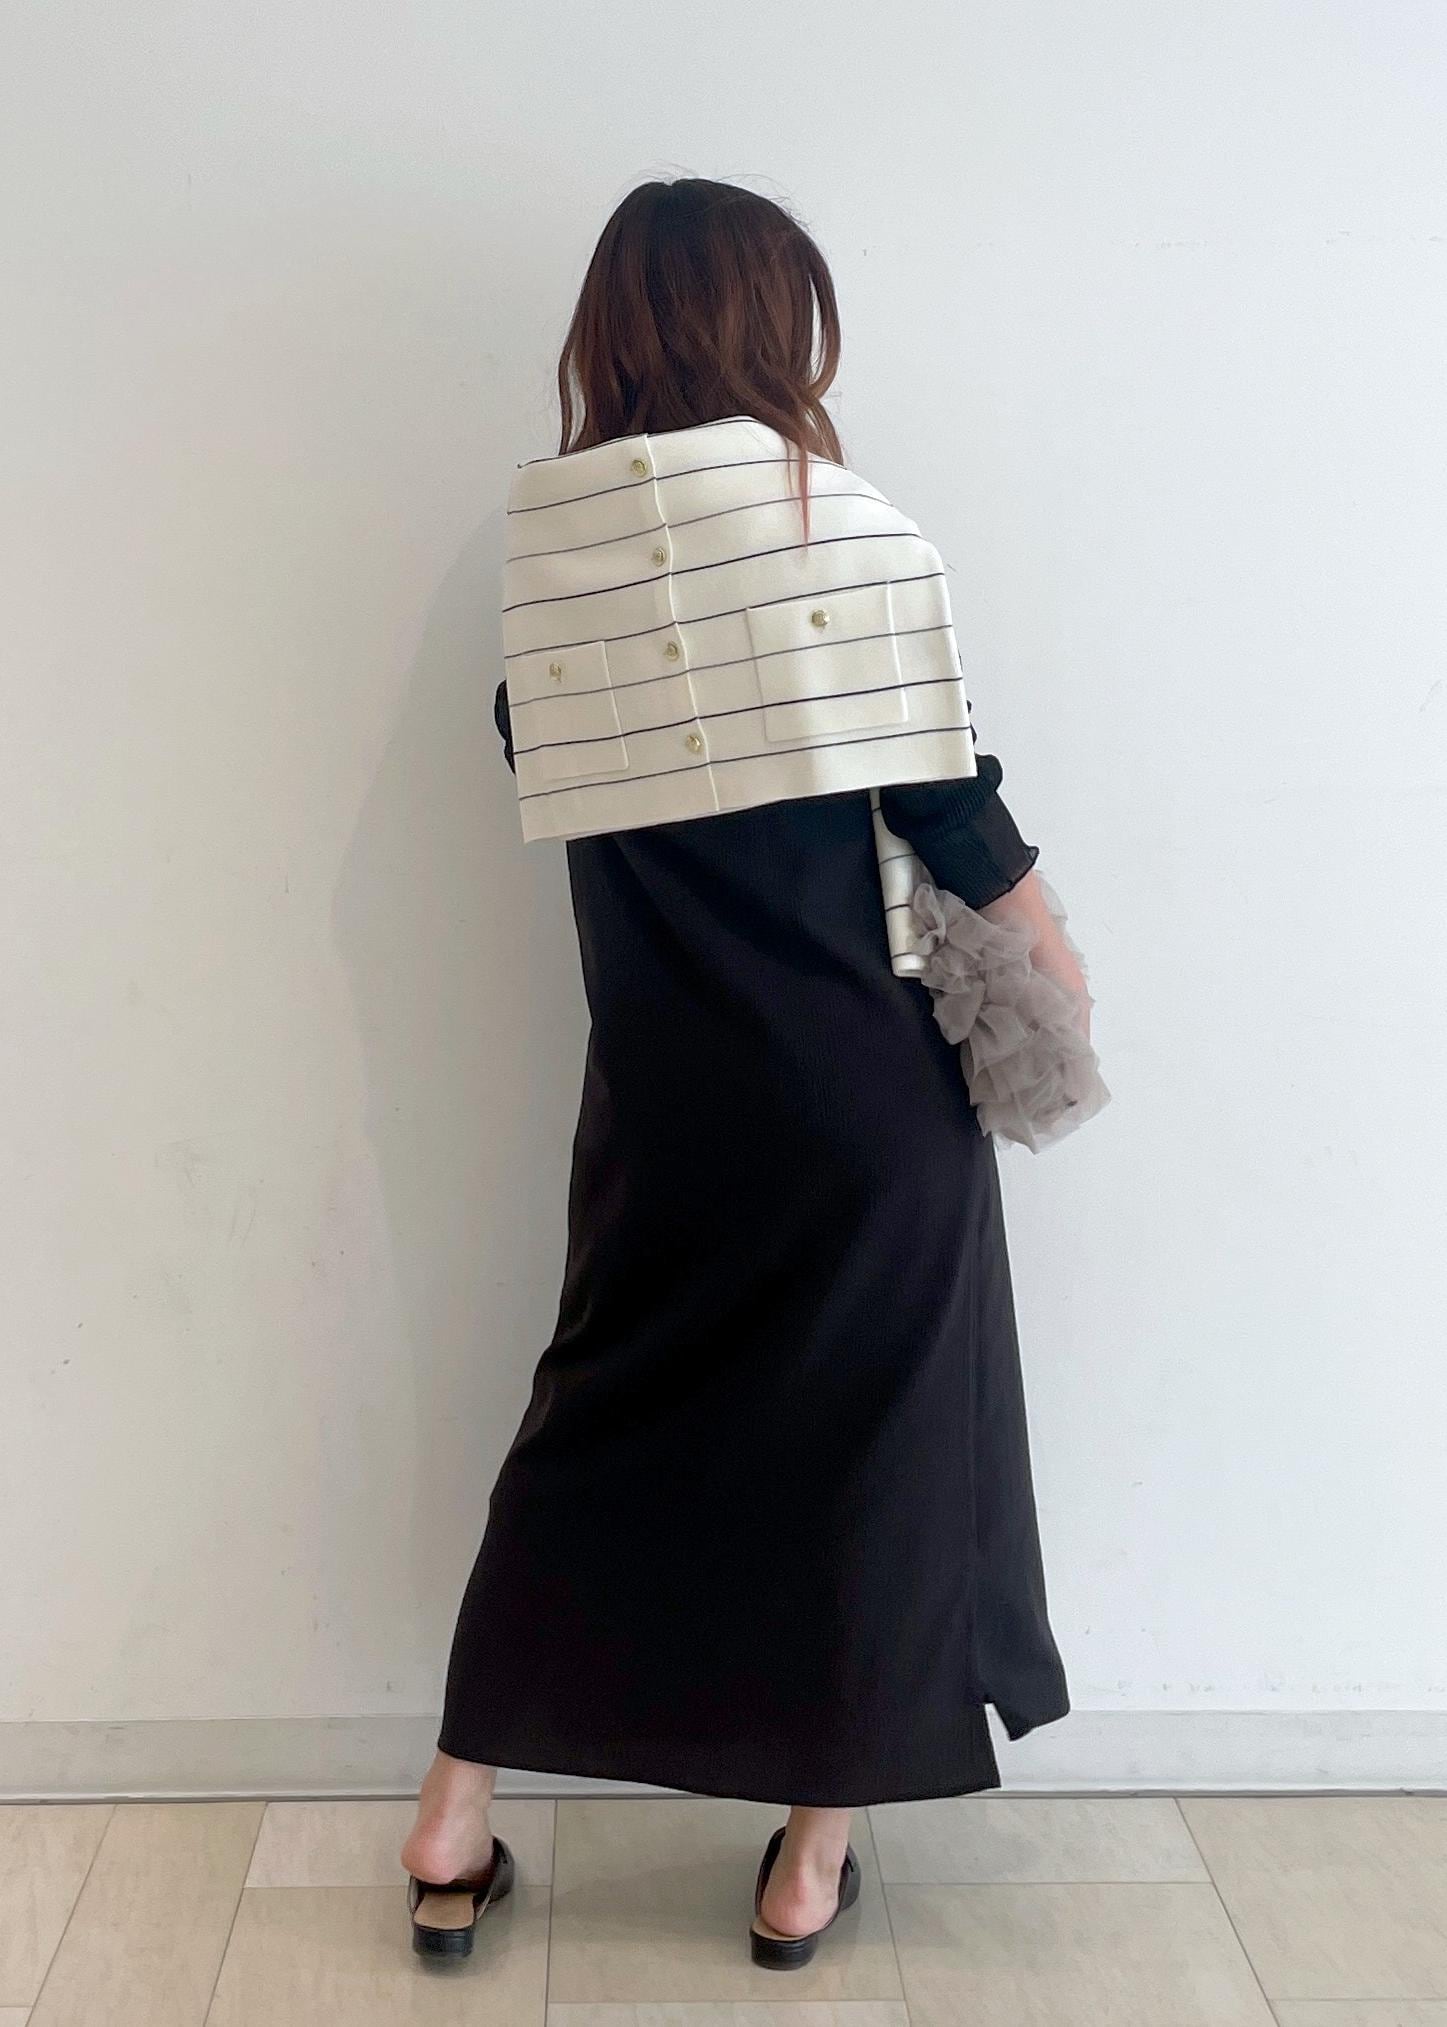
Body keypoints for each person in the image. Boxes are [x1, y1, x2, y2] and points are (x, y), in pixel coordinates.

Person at [400, 175, 1081, 1970]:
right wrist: (1061, 973)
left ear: (615, 331)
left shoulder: (551, 558)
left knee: (592, 1434)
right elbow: (955, 808)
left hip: (664, 1103)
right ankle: (806, 1869)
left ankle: (450, 1825)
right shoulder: (846, 534)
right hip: (866, 1095)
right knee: (873, 1459)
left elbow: (534, 754)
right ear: (777, 329)